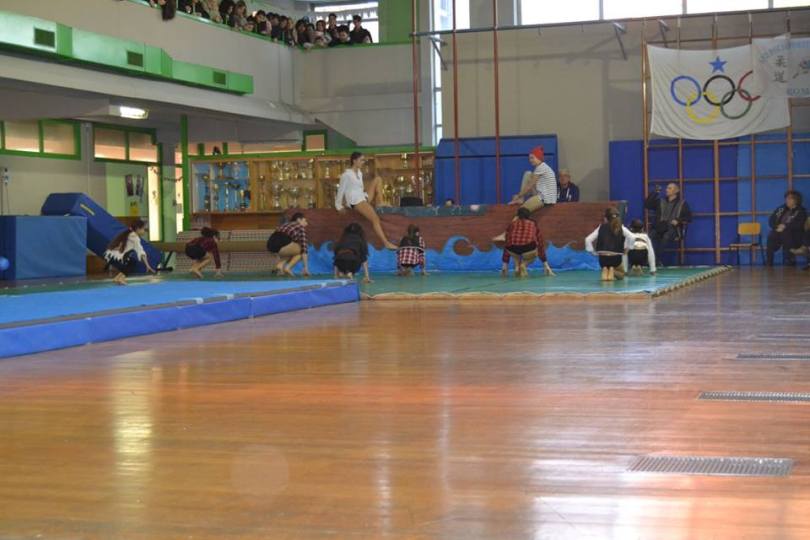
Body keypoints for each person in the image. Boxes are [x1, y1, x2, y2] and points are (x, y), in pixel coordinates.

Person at [335, 152, 397, 249]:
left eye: (363, 160)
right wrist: (338, 206)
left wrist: (366, 196)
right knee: (375, 219)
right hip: (355, 201)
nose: (363, 162)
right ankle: (386, 243)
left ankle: (380, 203)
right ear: (354, 161)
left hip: (362, 197)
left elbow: (359, 189)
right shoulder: (346, 175)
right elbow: (340, 191)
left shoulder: (359, 173)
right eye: (361, 160)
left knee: (378, 179)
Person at [644, 183, 692, 263]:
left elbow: (688, 218)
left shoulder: (682, 204)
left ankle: (655, 260)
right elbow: (647, 205)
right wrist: (655, 193)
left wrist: (678, 220)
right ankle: (648, 259)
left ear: (676, 191)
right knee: (649, 237)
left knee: (666, 237)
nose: (666, 190)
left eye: (669, 188)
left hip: (673, 229)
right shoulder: (660, 201)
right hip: (659, 227)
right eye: (667, 188)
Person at [501, 207, 555, 278]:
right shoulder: (533, 224)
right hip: (529, 248)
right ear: (529, 216)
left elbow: (507, 241)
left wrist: (505, 264)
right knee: (534, 254)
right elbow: (540, 244)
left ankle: (517, 267)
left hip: (512, 249)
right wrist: (546, 265)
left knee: (514, 252)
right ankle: (524, 264)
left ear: (517, 216)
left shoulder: (512, 224)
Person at [585, 208, 635, 281]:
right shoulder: (621, 227)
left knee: (605, 265)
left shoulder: (600, 227)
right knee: (621, 275)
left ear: (605, 218)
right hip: (615, 259)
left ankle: (605, 269)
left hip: (603, 260)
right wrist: (628, 249)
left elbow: (588, 239)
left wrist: (592, 252)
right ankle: (612, 270)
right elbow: (632, 237)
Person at [104, 219, 156, 285]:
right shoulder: (134, 237)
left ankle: (117, 278)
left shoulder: (130, 234)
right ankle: (120, 278)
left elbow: (141, 251)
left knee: (130, 260)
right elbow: (141, 251)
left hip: (110, 256)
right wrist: (147, 265)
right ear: (137, 229)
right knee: (132, 262)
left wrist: (147, 265)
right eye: (143, 229)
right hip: (114, 257)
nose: (144, 231)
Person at [509, 146, 557, 212]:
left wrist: (518, 195)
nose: (530, 160)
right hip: (546, 197)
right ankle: (521, 199)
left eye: (532, 158)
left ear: (538, 157)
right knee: (528, 174)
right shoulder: (543, 167)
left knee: (521, 211)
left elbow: (530, 185)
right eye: (529, 158)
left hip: (546, 199)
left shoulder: (541, 167)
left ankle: (520, 199)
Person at [767, 190, 807, 267]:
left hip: (795, 235)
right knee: (771, 235)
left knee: (785, 233)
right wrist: (777, 226)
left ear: (796, 200)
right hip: (779, 232)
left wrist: (785, 226)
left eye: (789, 198)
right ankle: (769, 262)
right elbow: (771, 219)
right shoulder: (781, 209)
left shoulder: (801, 211)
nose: (787, 200)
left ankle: (789, 260)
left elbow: (799, 225)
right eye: (786, 198)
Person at [266, 212, 310, 277]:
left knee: (291, 251)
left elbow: (277, 236)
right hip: (281, 242)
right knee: (301, 250)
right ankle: (288, 268)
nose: (307, 223)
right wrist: (306, 268)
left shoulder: (285, 224)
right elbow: (304, 248)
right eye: (305, 220)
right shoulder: (300, 227)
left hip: (270, 245)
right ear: (298, 220)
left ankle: (280, 266)